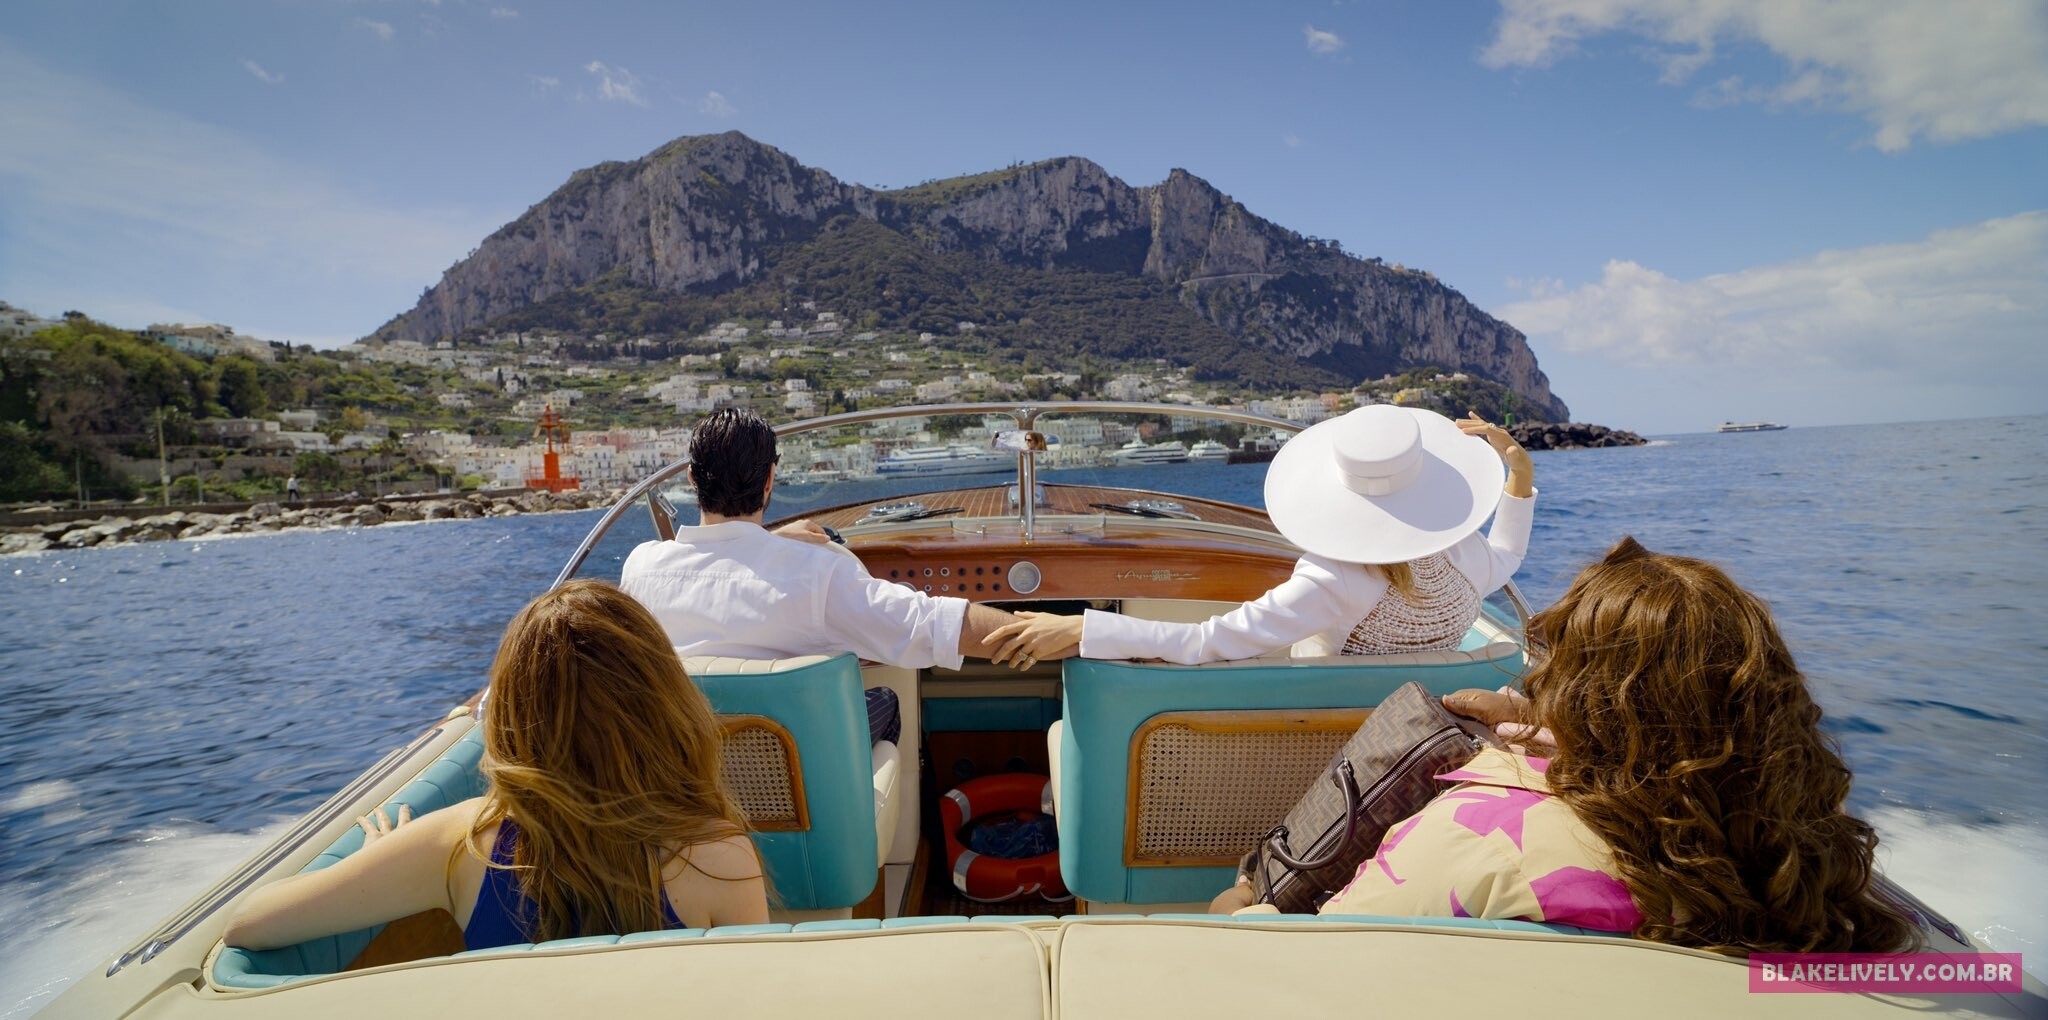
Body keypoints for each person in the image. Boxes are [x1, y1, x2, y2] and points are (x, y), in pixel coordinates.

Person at [1216, 537, 1919, 956]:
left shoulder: (1477, 846)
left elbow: (1316, 964)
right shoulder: (1800, 845)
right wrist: (1543, 723)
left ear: (1583, 693)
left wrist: (1245, 905)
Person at [224, 581, 767, 952]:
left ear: (511, 719)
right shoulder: (721, 858)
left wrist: (379, 860)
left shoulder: (457, 845)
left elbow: (249, 924)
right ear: (665, 707)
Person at [985, 407, 1534, 667]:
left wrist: (1082, 627)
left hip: (1338, 744)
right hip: (1431, 740)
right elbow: (1506, 555)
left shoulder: (1333, 580)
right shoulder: (1464, 554)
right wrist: (1520, 478)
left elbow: (1208, 643)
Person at [619, 408, 1026, 744]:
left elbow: (724, 562)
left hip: (689, 776)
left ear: (692, 478)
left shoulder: (641, 569)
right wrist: (1047, 633)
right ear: (769, 480)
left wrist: (768, 540)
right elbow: (935, 624)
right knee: (885, 701)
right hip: (788, 788)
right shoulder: (817, 573)